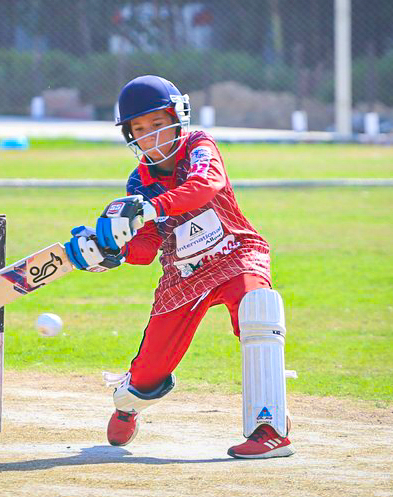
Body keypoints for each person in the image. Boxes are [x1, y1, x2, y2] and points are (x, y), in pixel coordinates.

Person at [65, 75, 294, 459]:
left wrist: (152, 207)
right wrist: (113, 250)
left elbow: (205, 185)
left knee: (258, 310)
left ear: (177, 118)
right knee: (149, 372)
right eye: (140, 129)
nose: (151, 137)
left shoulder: (199, 146)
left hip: (235, 253)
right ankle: (128, 404)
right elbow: (146, 248)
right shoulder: (139, 182)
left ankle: (269, 428)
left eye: (158, 124)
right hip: (183, 275)